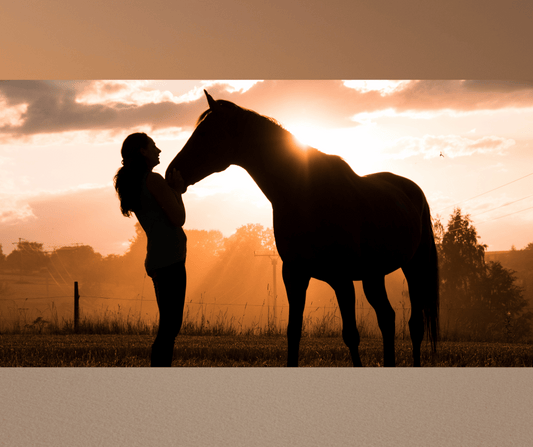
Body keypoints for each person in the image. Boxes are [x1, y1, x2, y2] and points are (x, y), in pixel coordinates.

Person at [114, 132, 187, 366]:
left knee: (169, 325)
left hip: (159, 260)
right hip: (170, 261)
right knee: (170, 327)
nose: (159, 150)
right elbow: (178, 218)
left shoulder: (138, 182)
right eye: (153, 146)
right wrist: (177, 190)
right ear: (143, 151)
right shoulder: (153, 180)